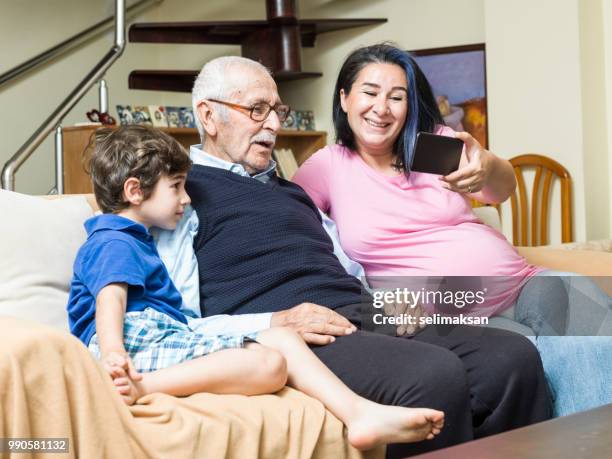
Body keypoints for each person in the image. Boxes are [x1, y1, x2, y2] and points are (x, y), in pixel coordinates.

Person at [155, 56, 552, 458]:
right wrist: (273, 323)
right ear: (209, 116)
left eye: (277, 111)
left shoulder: (291, 191)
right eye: (258, 110)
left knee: (512, 359)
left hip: (360, 311)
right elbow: (173, 317)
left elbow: (343, 262)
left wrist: (384, 300)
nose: (274, 125)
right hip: (299, 330)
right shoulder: (178, 191)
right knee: (432, 374)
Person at [66, 125, 445, 451]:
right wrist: (115, 357)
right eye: (177, 187)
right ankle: (142, 388)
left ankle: (360, 414)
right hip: (132, 342)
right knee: (268, 360)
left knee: (276, 350)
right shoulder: (114, 240)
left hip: (158, 334)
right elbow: (110, 298)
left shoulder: (134, 238)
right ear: (135, 191)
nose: (185, 198)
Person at [292, 43, 612, 416]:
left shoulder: (428, 146)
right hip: (450, 319)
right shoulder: (327, 167)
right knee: (537, 363)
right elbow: (293, 234)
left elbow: (500, 190)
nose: (382, 108)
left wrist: (488, 166)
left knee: (595, 338)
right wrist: (368, 299)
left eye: (397, 97)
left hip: (525, 283)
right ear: (345, 98)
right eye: (370, 92)